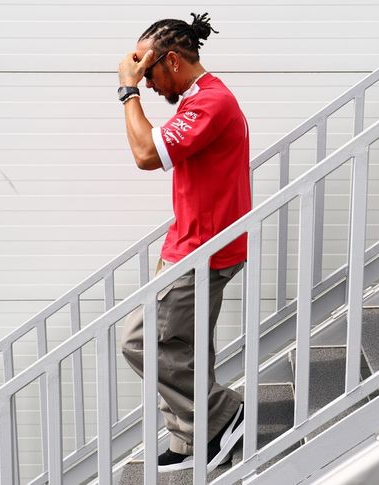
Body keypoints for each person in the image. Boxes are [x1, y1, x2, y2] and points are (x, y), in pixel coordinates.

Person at [117, 12, 252, 473]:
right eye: (140, 76)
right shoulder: (199, 100)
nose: (147, 83)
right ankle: (187, 438)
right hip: (190, 245)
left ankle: (223, 414)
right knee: (182, 349)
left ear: (172, 61)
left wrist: (127, 91)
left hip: (202, 251)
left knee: (139, 342)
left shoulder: (211, 103)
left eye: (149, 72)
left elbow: (145, 154)